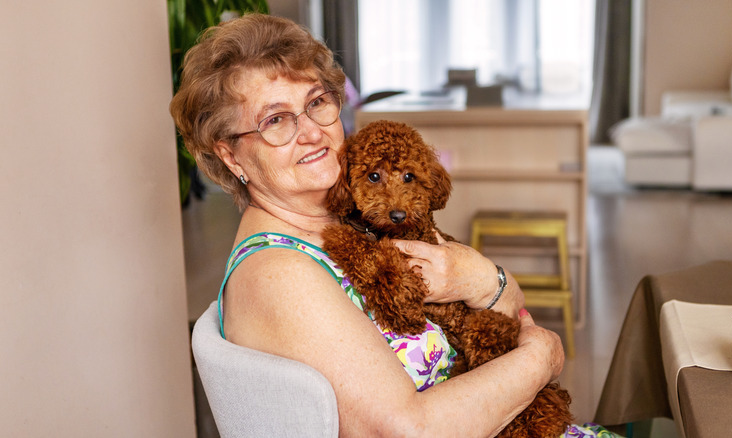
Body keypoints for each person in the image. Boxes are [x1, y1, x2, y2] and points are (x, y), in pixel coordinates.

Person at [171, 13, 614, 438]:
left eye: (316, 102)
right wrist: (540, 359)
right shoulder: (277, 275)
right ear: (230, 155)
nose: (311, 132)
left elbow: (507, 306)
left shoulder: (361, 215)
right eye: (275, 120)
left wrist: (477, 277)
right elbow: (407, 431)